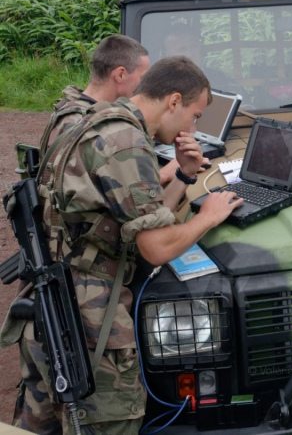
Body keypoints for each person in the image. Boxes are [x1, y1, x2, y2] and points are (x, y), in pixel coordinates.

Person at [11, 56, 244, 434]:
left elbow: (138, 220)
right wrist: (208, 216)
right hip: (87, 319)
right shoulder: (126, 143)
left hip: (50, 303)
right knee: (110, 422)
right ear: (173, 101)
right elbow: (155, 247)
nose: (194, 127)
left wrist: (183, 175)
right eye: (196, 115)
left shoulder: (94, 120)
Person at [39, 34, 183, 186]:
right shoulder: (80, 123)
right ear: (120, 74)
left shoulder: (78, 108)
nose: (146, 86)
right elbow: (84, 189)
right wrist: (167, 173)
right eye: (143, 78)